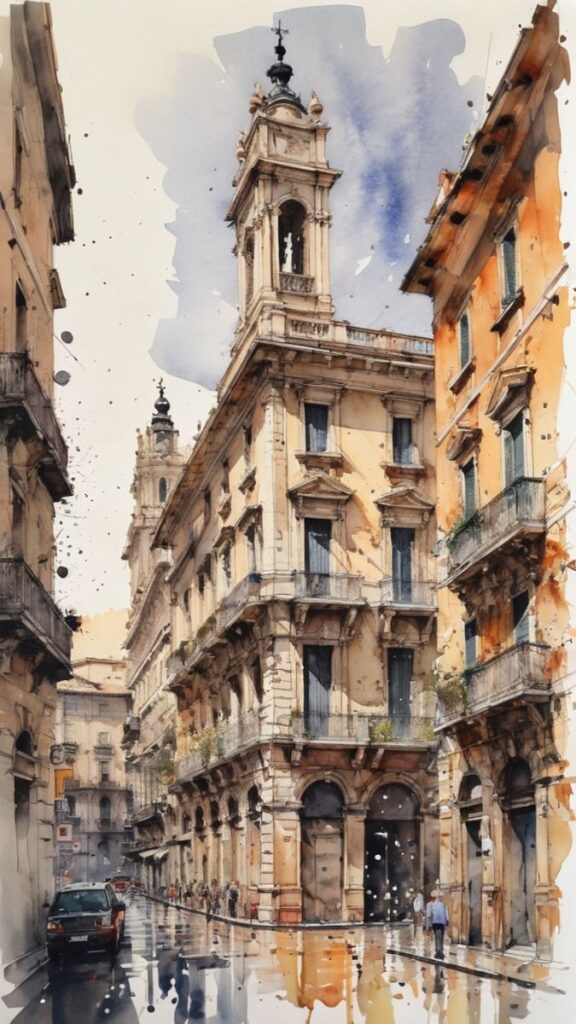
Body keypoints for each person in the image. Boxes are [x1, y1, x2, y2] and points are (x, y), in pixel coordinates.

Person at [429, 891, 449, 958]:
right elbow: (446, 914)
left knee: (437, 938)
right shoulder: (443, 905)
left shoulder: (433, 905)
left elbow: (431, 914)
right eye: (440, 897)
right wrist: (446, 921)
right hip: (441, 923)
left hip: (435, 923)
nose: (441, 898)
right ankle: (440, 952)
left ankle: (438, 952)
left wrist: (430, 923)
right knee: (440, 938)